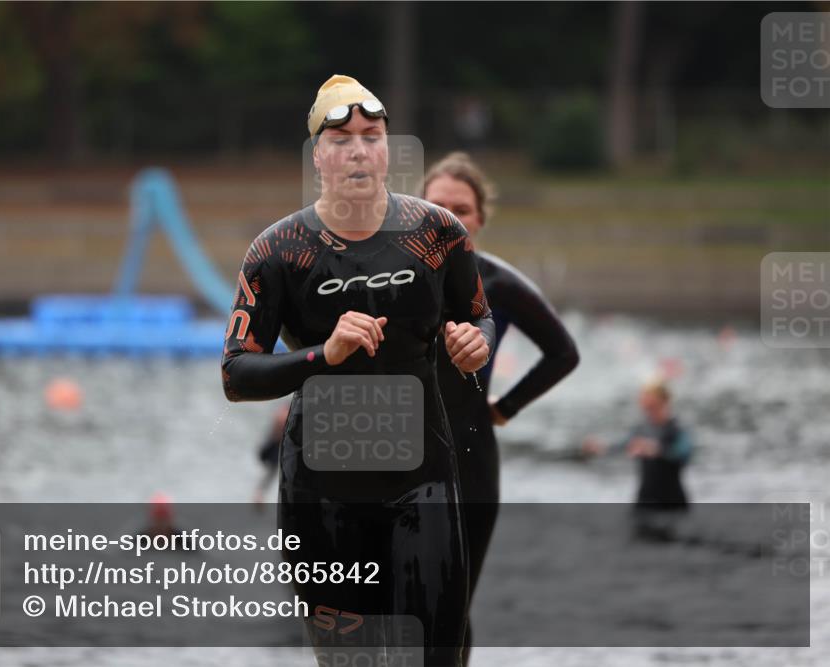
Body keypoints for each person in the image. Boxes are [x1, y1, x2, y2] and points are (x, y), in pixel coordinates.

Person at [221, 75, 495, 666]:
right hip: (321, 496)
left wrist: (476, 344)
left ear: (387, 149)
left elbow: (481, 319)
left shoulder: (437, 235)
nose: (358, 150)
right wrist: (324, 354)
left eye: (371, 136)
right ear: (317, 155)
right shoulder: (279, 251)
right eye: (341, 138)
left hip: (421, 483)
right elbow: (235, 374)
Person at [423, 152, 579, 662]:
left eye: (461, 209)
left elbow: (563, 353)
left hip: (470, 461)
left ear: (480, 219)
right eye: (437, 205)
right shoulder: (391, 281)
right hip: (398, 459)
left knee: (452, 606)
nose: (448, 217)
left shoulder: (499, 283)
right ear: (415, 212)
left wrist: (505, 407)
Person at [582, 378, 694, 510]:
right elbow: (623, 444)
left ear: (663, 401)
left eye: (649, 399)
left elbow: (684, 453)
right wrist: (601, 447)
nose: (643, 402)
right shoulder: (642, 428)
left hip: (672, 500)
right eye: (643, 399)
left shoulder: (677, 428)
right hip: (645, 499)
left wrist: (657, 450)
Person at [252, 404, 289, 506]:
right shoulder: (284, 415)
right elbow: (277, 434)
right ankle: (259, 496)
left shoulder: (280, 413)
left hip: (273, 445)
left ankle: (259, 495)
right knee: (272, 473)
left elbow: (272, 434)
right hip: (277, 447)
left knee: (269, 474)